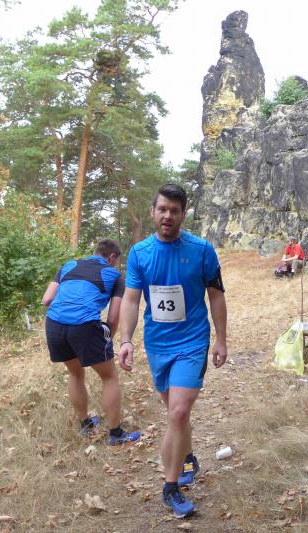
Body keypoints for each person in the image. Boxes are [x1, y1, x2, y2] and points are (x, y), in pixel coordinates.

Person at [117, 184, 228, 519]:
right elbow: (131, 300)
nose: (168, 216)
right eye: (162, 209)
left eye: (174, 211)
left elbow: (216, 296)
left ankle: (170, 487)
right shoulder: (139, 253)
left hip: (192, 340)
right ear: (153, 211)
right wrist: (125, 340)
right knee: (175, 413)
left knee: (178, 413)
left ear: (183, 214)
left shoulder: (202, 250)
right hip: (158, 344)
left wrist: (221, 339)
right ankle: (188, 456)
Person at [41, 239, 141, 446]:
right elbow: (113, 318)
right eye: (116, 260)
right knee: (109, 376)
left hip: (54, 324)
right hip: (84, 325)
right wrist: (107, 339)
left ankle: (85, 425)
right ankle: (115, 434)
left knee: (75, 373)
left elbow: (47, 299)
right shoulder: (115, 276)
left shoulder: (68, 265)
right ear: (112, 257)